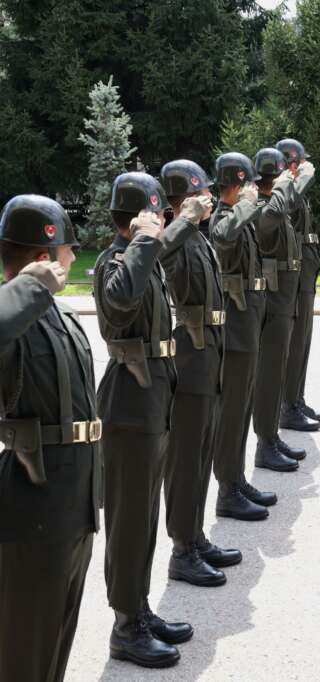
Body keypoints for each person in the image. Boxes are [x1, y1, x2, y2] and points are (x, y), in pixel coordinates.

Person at [0, 195, 100, 681]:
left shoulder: (58, 314)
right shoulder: (14, 314)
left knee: (56, 640)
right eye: (66, 250)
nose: (72, 258)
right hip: (34, 507)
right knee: (25, 648)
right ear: (43, 258)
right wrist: (27, 287)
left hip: (73, 504)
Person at [94, 172, 192, 668]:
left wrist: (150, 242)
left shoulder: (144, 255)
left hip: (152, 396)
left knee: (146, 517)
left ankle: (139, 607)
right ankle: (124, 626)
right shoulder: (117, 261)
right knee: (130, 521)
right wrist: (143, 242)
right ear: (132, 218)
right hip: (129, 402)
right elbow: (120, 302)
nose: (161, 221)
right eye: (153, 214)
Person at [158, 159, 240, 587]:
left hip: (210, 351)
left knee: (203, 450)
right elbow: (159, 254)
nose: (208, 198)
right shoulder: (174, 236)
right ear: (184, 200)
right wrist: (185, 220)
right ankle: (181, 549)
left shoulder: (198, 236)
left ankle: (195, 535)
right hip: (189, 353)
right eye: (200, 194)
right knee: (187, 456)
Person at [209, 152, 278, 521]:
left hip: (247, 321)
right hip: (234, 328)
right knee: (233, 411)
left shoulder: (240, 215)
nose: (253, 189)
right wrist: (247, 206)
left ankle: (235, 479)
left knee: (243, 405)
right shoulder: (224, 217)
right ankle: (226, 489)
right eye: (247, 184)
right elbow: (221, 236)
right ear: (235, 185)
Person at [251, 148, 307, 471]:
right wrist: (285, 185)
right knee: (270, 374)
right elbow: (269, 220)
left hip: (283, 297)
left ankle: (271, 436)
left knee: (278, 369)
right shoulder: (263, 208)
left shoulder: (277, 204)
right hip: (273, 300)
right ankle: (264, 442)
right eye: (283, 175)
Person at [276, 138, 320, 431]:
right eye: (298, 163)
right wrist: (302, 179)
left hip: (305, 268)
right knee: (293, 341)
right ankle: (286, 405)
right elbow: (286, 205)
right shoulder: (285, 189)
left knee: (303, 338)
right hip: (292, 273)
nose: (303, 167)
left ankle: (296, 398)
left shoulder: (296, 188)